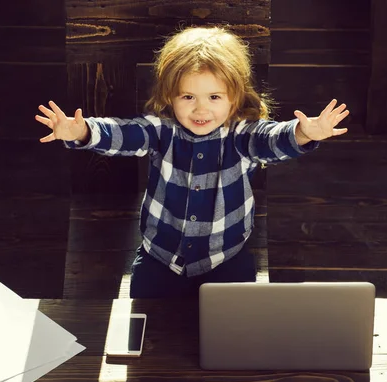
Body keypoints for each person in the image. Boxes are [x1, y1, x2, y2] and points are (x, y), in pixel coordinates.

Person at [35, 26, 349, 298]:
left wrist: (304, 133)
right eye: (188, 97)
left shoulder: (242, 135)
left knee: (233, 336)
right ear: (169, 97)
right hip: (160, 257)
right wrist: (83, 130)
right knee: (145, 328)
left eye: (214, 97)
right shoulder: (161, 131)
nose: (201, 111)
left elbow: (273, 140)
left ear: (235, 98)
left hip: (226, 258)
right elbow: (122, 134)